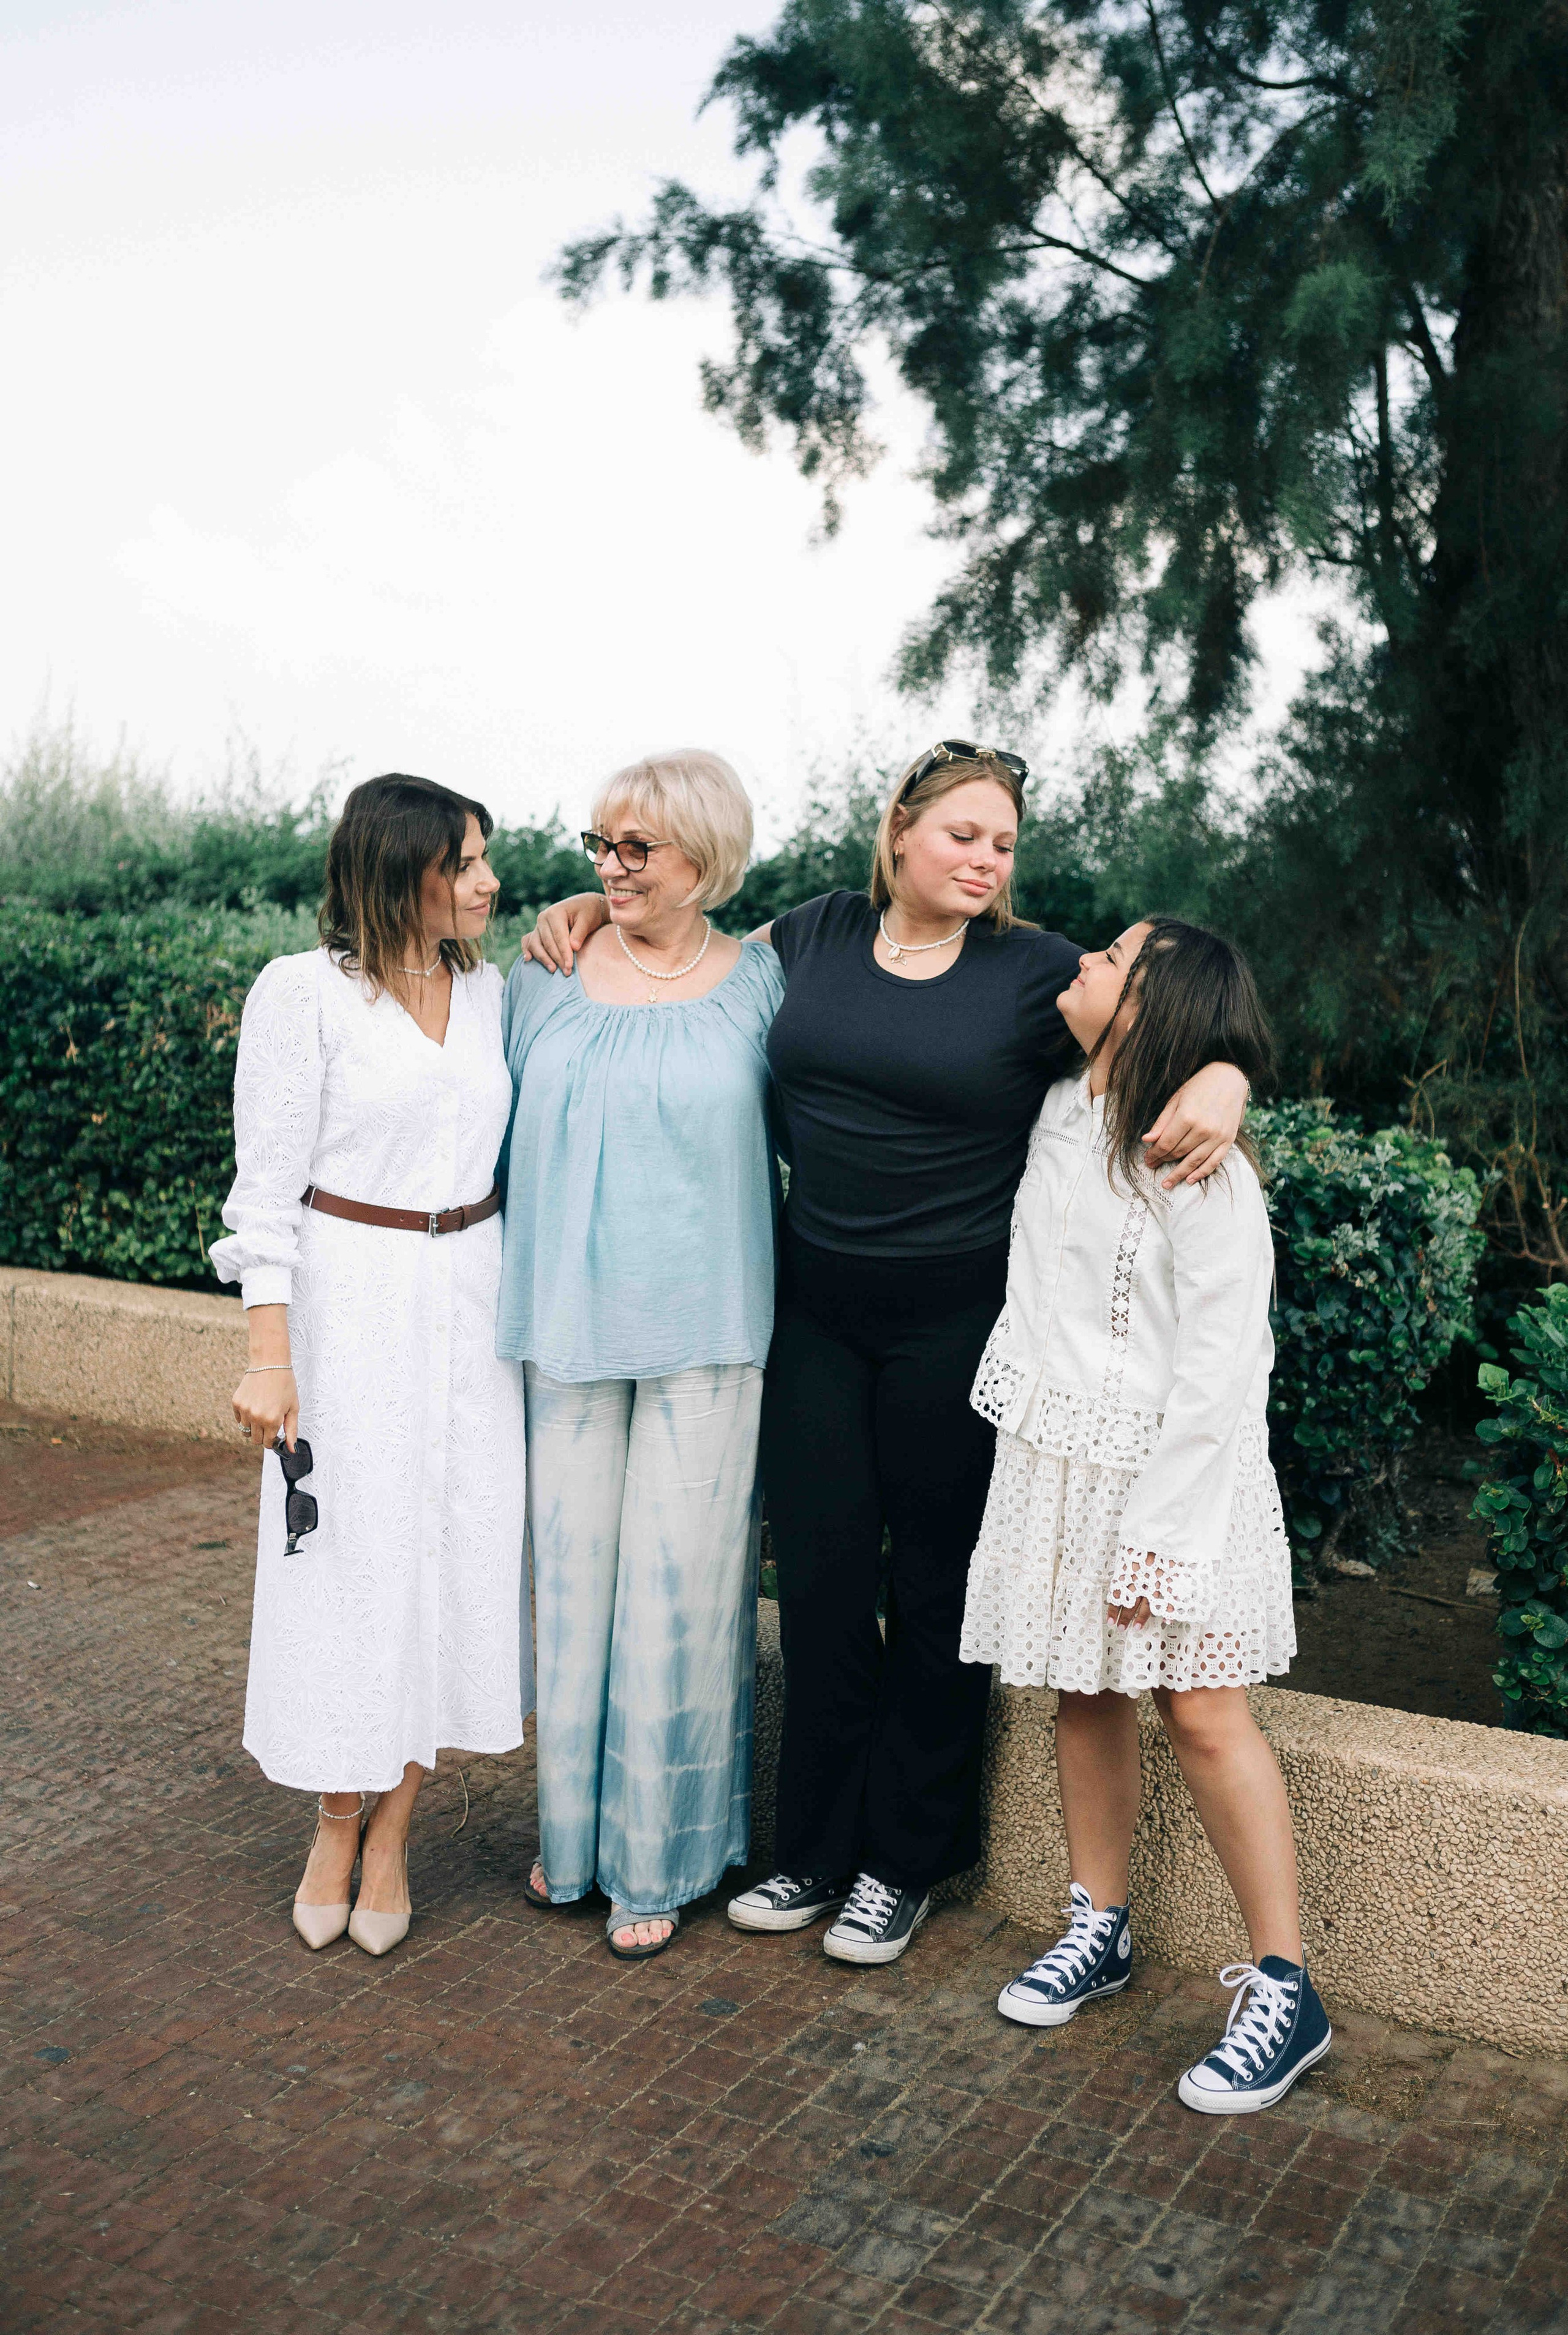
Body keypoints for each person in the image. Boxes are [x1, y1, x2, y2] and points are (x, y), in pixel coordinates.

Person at [524, 742, 1248, 1966]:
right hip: (810, 1313)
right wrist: (600, 901)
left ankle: (901, 1861)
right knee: (811, 1582)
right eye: (961, 833)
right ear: (898, 831)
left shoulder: (1030, 972)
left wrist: (1227, 1075)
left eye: (1002, 843)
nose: (984, 859)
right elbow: (683, 955)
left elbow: (1176, 1022)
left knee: (927, 1591)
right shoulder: (805, 936)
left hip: (953, 1328)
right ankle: (808, 1847)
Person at [963, 918, 1330, 2113]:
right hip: (1061, 1456)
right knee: (1081, 1688)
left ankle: (1285, 1987)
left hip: (1177, 1476)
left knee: (1204, 1711)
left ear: (1149, 1009)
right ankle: (1100, 1923)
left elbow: (1224, 1370)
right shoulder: (1062, 1096)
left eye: (1111, 958)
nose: (1081, 958)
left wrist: (1160, 1537)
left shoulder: (1199, 1161)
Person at [213, 774, 528, 1958]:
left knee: (453, 1557)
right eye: (466, 861)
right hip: (352, 1305)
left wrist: (594, 917)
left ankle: (396, 1833)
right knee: (344, 1564)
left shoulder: (493, 990)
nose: (490, 882)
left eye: (488, 859)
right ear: (401, 871)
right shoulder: (305, 996)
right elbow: (264, 1191)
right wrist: (267, 1352)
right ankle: (334, 1820)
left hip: (473, 1302)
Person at [498, 750, 783, 1959]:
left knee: (681, 1594)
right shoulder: (545, 970)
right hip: (564, 1330)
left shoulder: (766, 983)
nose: (609, 867)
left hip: (708, 1335)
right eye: (597, 845)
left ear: (704, 861)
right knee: (569, 1593)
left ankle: (659, 1861)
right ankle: (573, 1842)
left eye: (636, 849)